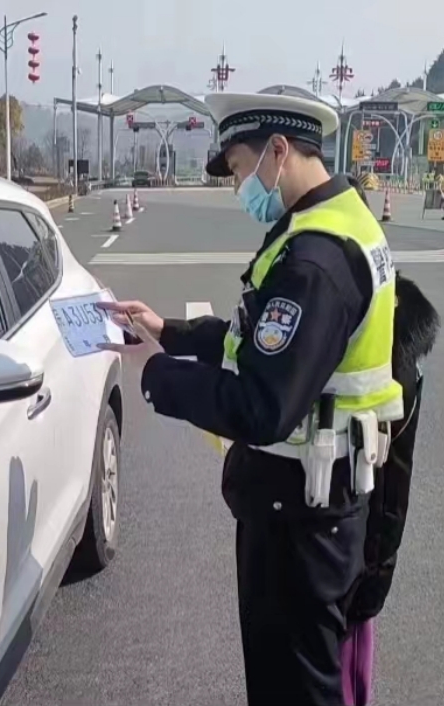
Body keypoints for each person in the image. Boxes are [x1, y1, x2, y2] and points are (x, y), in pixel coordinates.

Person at [99, 92, 404, 705]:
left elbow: (264, 405)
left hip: (301, 526)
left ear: (279, 152)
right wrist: (172, 333)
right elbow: (260, 345)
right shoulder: (342, 220)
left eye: (239, 169)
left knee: (292, 692)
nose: (239, 186)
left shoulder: (315, 260)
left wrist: (161, 377)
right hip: (318, 509)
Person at [340, 271, 440, 705]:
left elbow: (386, 490)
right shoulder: (387, 328)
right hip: (350, 556)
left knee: (343, 668)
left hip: (347, 558)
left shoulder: (380, 353)